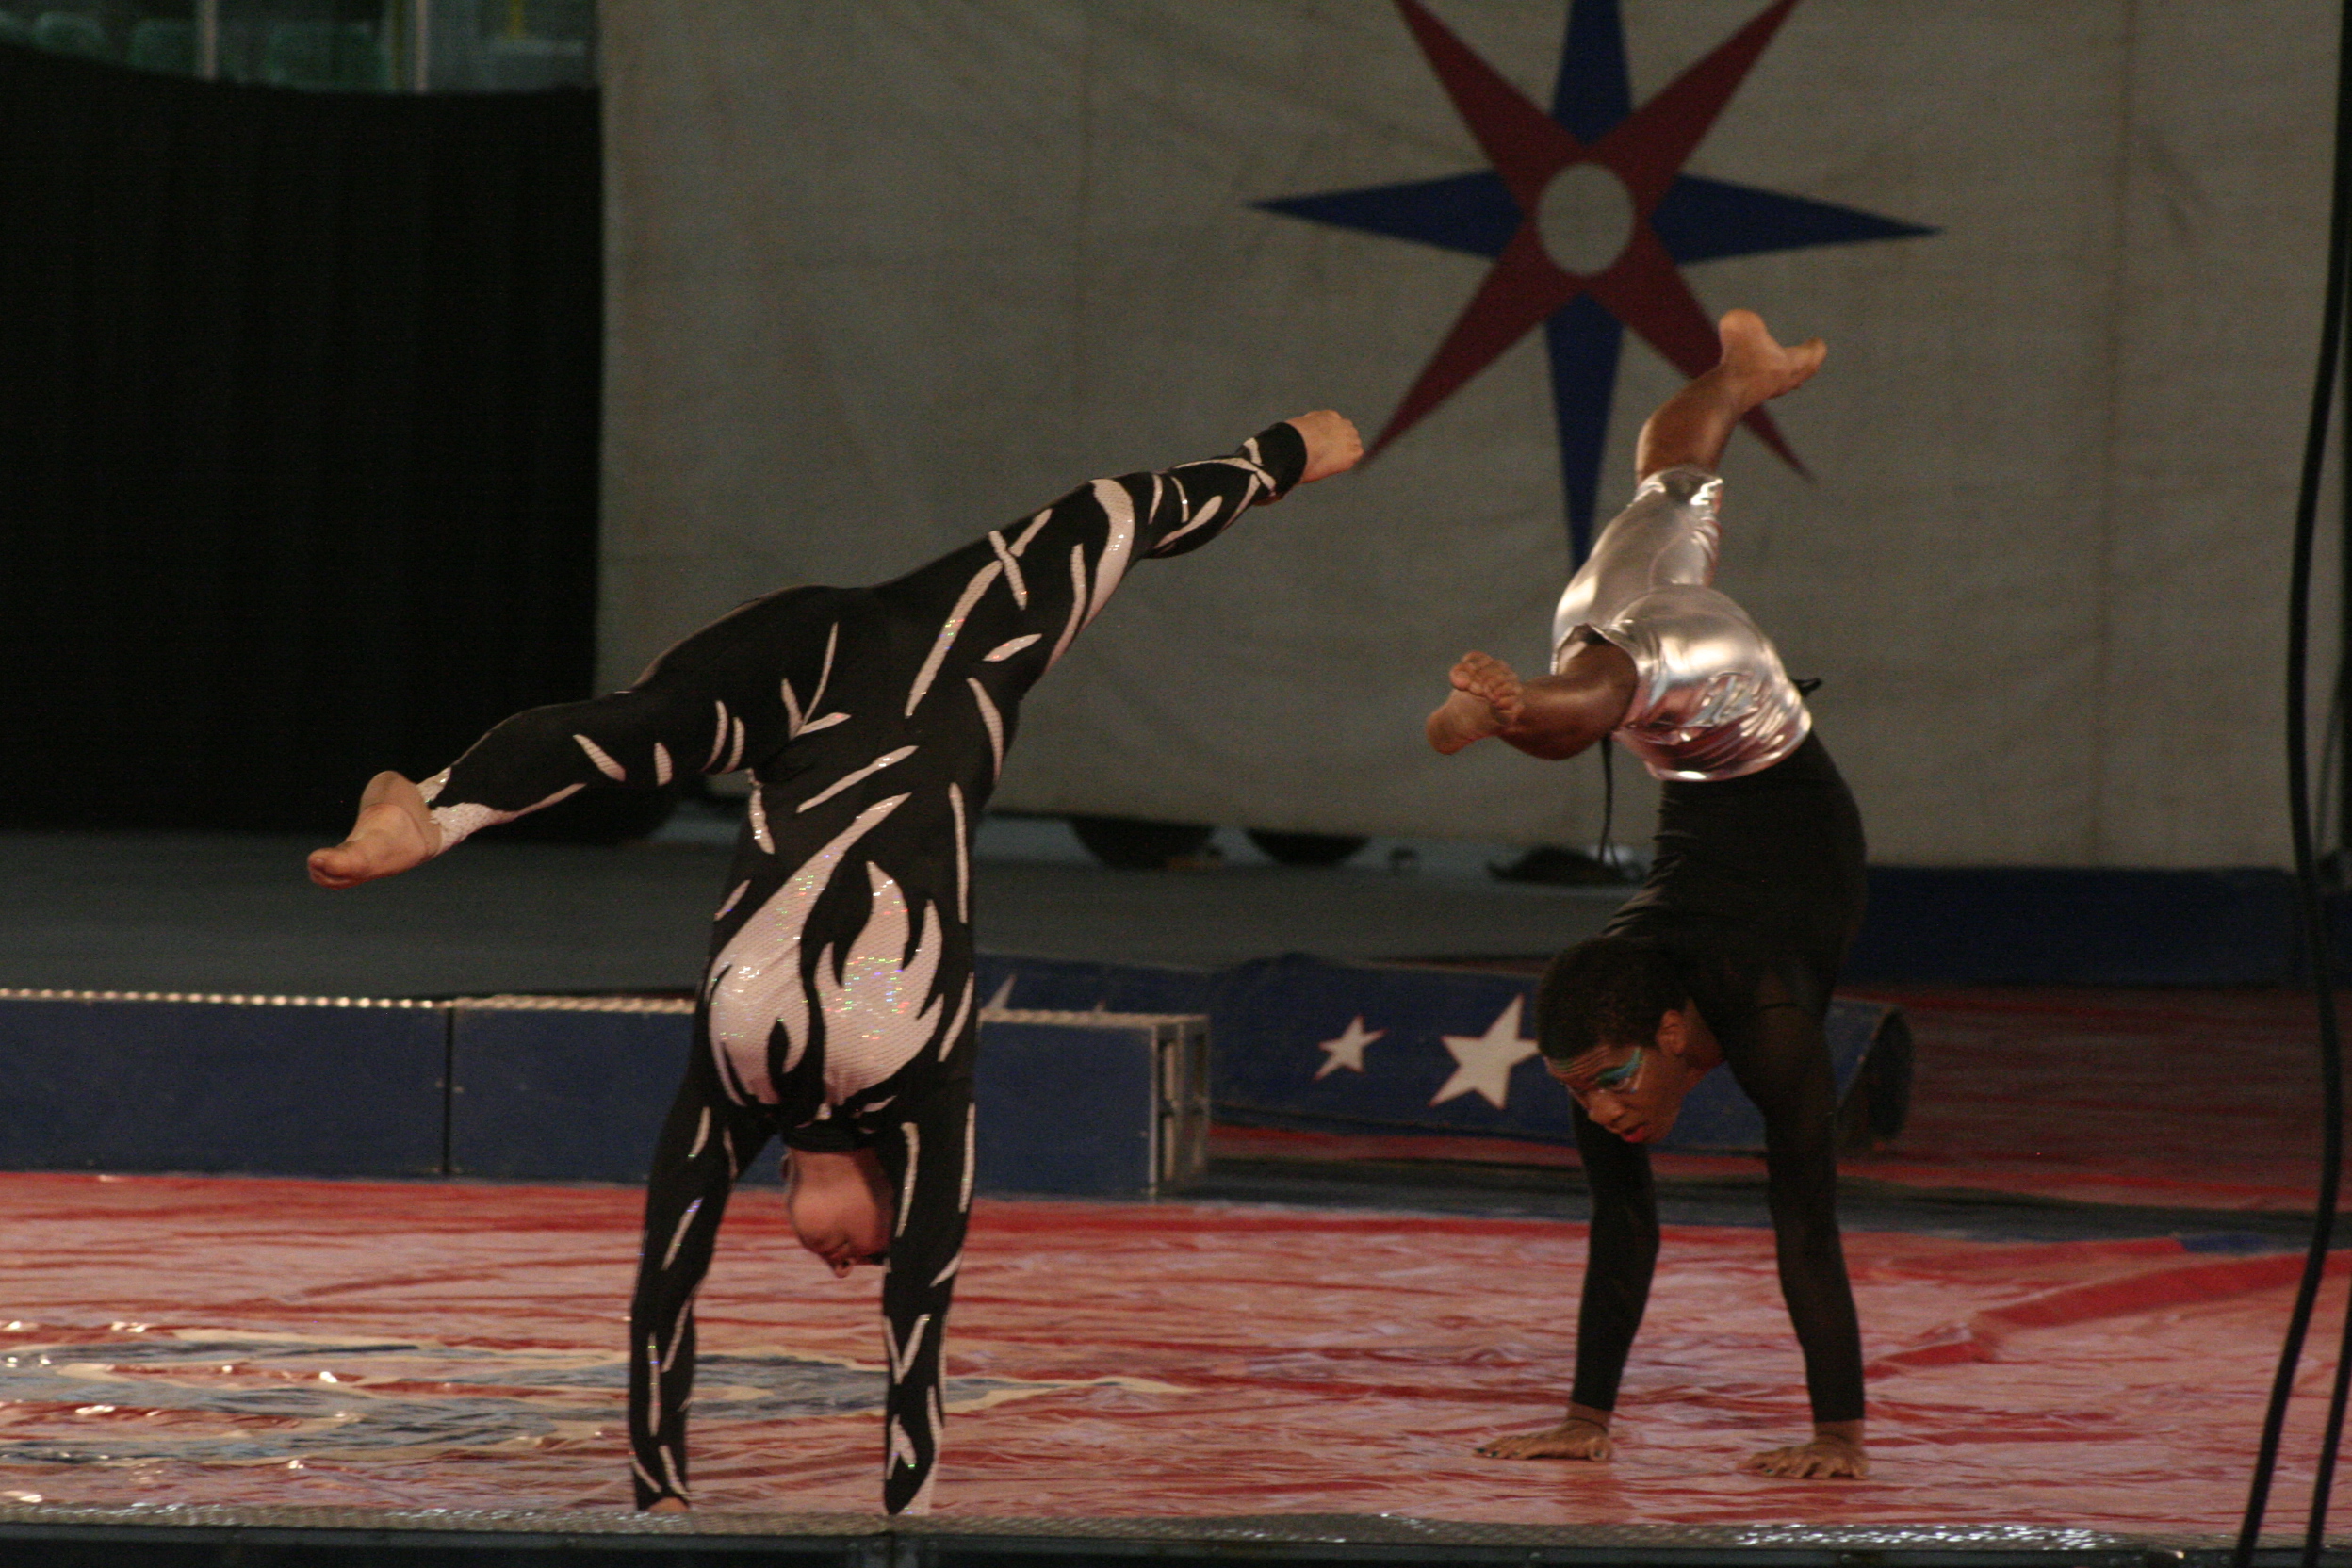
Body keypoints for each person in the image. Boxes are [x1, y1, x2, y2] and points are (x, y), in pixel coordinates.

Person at [308, 410, 1364, 1514]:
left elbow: (666, 1284)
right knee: (1095, 526)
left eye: (858, 1264)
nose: (848, 1264)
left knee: (649, 730)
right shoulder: (922, 1087)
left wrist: (662, 1500)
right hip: (948, 647)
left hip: (789, 680)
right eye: (871, 1256)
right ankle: (433, 809)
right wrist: (1276, 460)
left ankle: (436, 807)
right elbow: (922, 1313)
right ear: (893, 1190)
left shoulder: (740, 1086)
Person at [1426, 310, 1869, 1480]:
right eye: (1582, 1090)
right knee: (1667, 495)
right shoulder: (1605, 1024)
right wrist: (1585, 1417)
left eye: (1609, 1083)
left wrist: (1838, 1435)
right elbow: (1622, 1225)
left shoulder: (1769, 1020)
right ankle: (1735, 375)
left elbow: (1807, 1220)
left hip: (1743, 724)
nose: (1604, 1110)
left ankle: (1518, 711)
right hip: (1661, 727)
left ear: (1675, 1032)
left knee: (1598, 693)